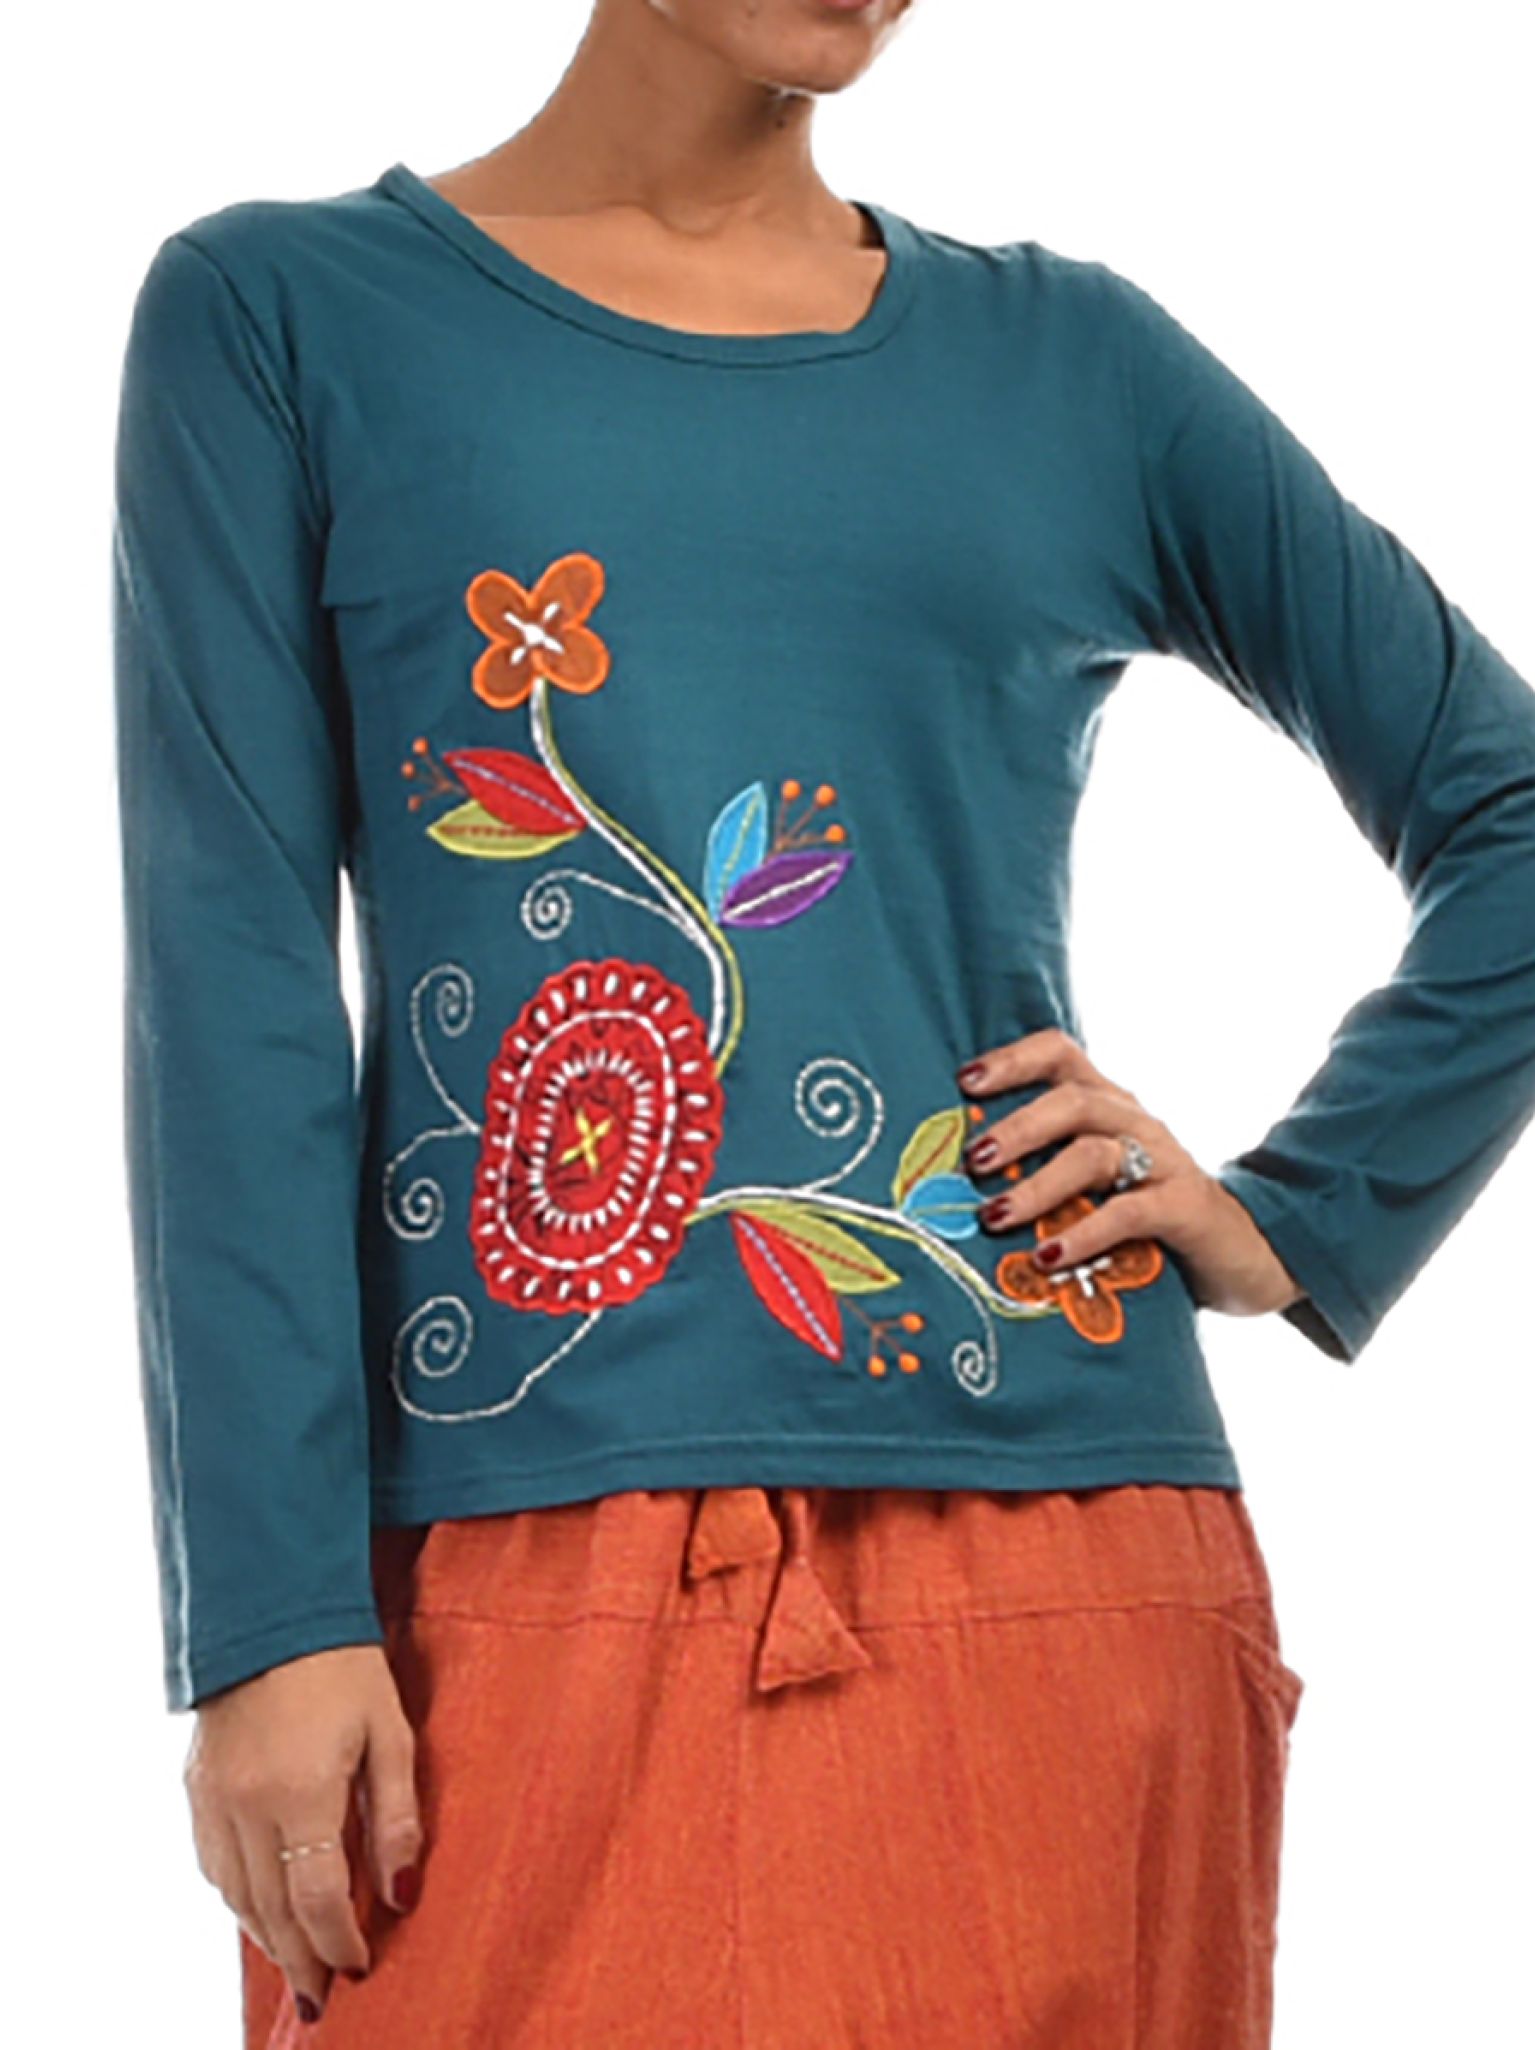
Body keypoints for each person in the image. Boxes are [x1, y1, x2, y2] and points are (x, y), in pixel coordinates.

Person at [109, 2, 1535, 2044]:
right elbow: (230, 981)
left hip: (1061, 1569)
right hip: (497, 1606)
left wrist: (1301, 1209)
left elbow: (1511, 811)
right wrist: (268, 1615)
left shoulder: (1075, 366)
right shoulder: (279, 318)